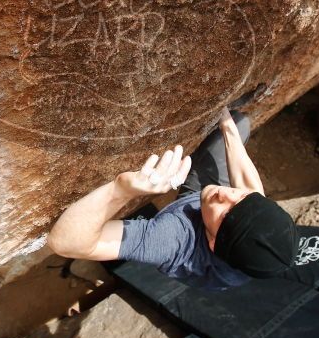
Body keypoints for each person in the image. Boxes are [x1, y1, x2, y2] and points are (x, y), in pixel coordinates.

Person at [46, 108, 299, 290]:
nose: (225, 194)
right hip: (221, 232)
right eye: (243, 200)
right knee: (239, 121)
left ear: (212, 243)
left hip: (190, 225)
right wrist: (225, 121)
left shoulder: (174, 240)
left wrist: (120, 190)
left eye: (225, 214)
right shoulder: (245, 224)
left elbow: (67, 243)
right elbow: (250, 189)